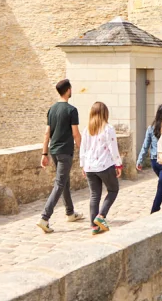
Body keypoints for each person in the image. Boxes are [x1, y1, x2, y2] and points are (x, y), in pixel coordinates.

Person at [37, 78, 84, 233]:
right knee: (59, 184)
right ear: (68, 90)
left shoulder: (51, 110)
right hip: (65, 151)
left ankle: (70, 213)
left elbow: (46, 133)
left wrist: (44, 153)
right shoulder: (72, 110)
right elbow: (76, 134)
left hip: (54, 150)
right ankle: (44, 217)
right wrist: (83, 150)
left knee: (65, 182)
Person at [80, 101, 122, 234]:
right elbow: (113, 148)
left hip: (90, 167)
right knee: (113, 190)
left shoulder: (87, 129)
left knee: (94, 195)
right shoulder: (108, 129)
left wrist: (83, 165)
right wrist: (118, 164)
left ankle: (94, 226)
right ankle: (101, 216)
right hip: (105, 165)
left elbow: (83, 148)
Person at [136, 103, 162, 213]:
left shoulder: (151, 128)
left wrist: (139, 160)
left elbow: (145, 146)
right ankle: (155, 209)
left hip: (154, 162)